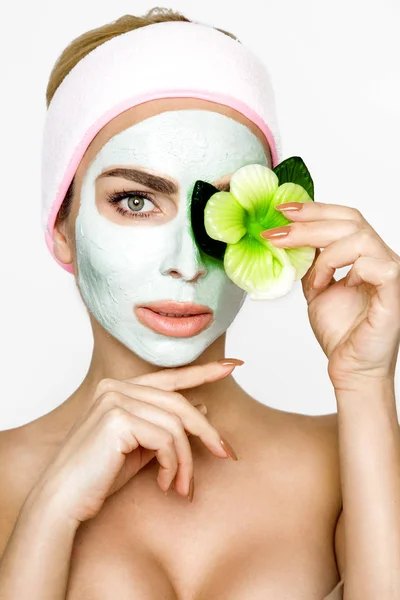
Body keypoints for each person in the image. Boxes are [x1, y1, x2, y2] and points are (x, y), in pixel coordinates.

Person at [1, 7, 400, 600]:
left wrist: (365, 382)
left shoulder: (347, 462)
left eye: (221, 209)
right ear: (61, 226)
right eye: (136, 201)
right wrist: (49, 512)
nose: (185, 263)